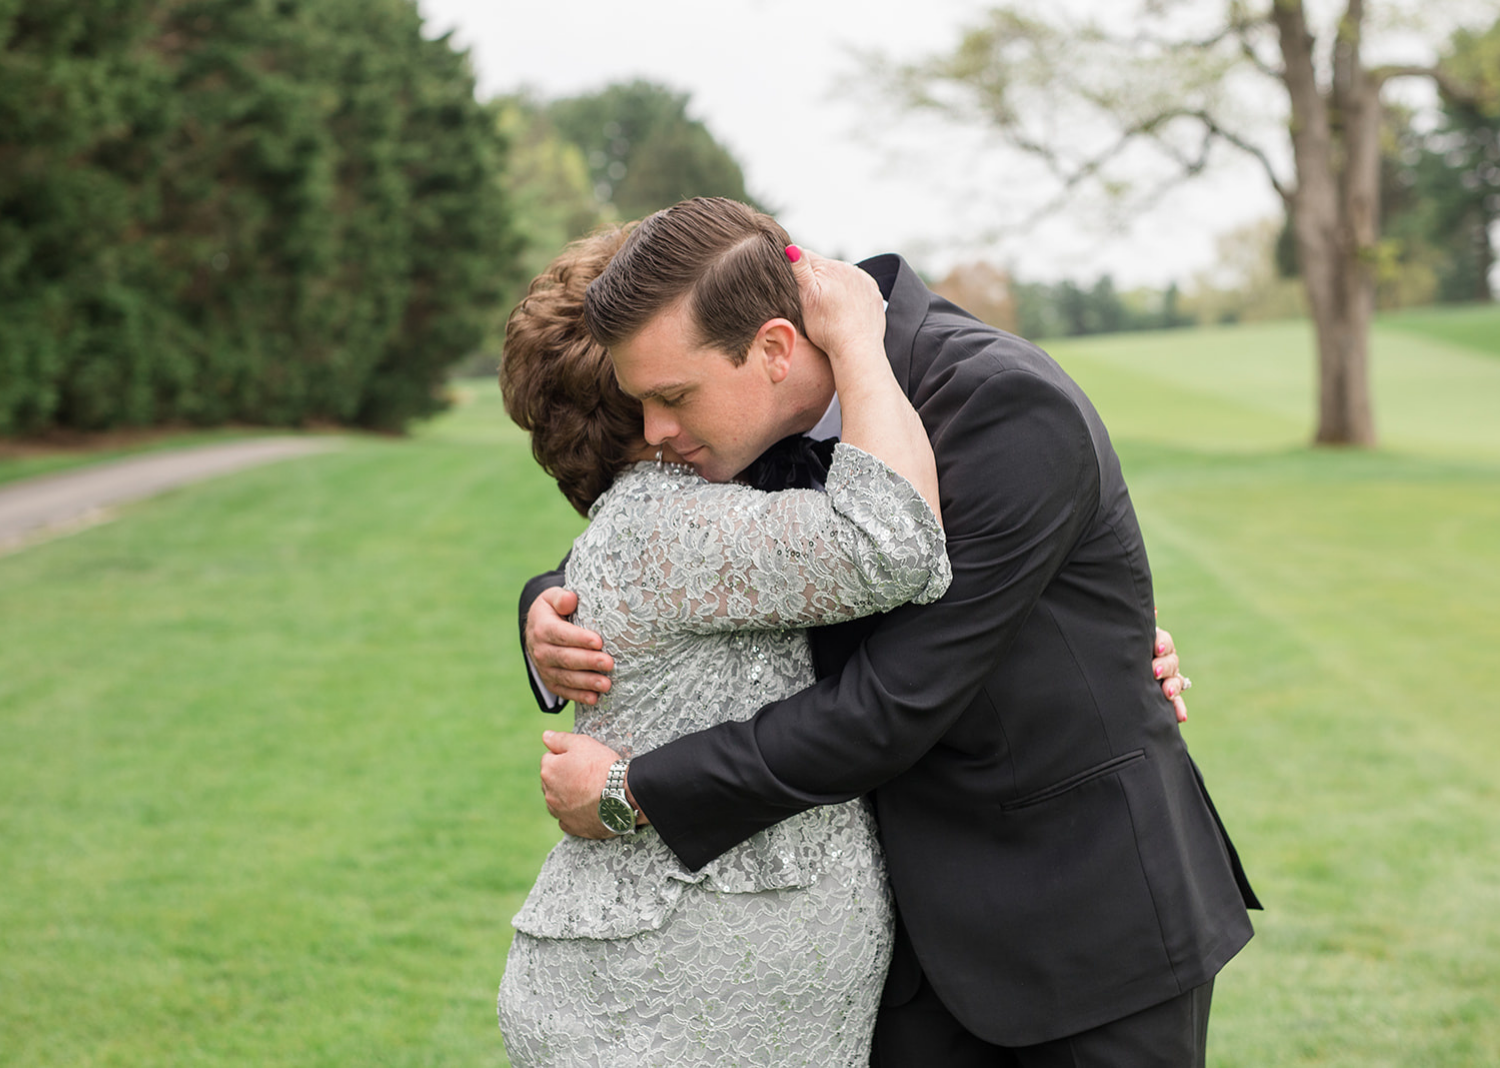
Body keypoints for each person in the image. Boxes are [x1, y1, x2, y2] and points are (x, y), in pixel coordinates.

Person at [525, 198, 1260, 1066]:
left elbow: (893, 703)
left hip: (1083, 936)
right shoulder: (746, 424)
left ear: (773, 349)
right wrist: (550, 608)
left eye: (671, 398)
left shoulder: (1004, 407)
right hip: (897, 961)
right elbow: (661, 547)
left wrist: (637, 790)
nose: (656, 432)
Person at [496, 224, 953, 1067]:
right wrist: (856, 339)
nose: (667, 422)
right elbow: (892, 546)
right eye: (655, 397)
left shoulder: (661, 521)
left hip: (682, 985)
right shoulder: (674, 523)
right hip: (683, 995)